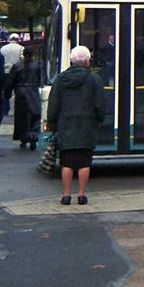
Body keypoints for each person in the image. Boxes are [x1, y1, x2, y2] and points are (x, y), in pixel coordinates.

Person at [47, 45, 106, 205]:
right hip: (87, 124)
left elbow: (53, 103)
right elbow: (100, 104)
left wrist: (52, 123)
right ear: (88, 61)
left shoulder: (60, 79)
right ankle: (81, 194)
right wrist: (99, 119)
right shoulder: (94, 79)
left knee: (66, 162)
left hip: (65, 123)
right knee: (84, 162)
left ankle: (66, 195)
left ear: (71, 61)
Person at [6, 47, 41, 150]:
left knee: (22, 118)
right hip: (33, 93)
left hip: (21, 94)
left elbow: (10, 81)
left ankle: (24, 138)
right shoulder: (37, 66)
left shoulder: (17, 66)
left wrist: (7, 94)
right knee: (35, 116)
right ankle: (33, 136)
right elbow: (40, 80)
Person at [0, 33, 24, 115]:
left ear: (9, 39)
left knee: (6, 92)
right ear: (18, 40)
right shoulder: (21, 48)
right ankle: (17, 110)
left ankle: (5, 110)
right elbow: (22, 60)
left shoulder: (3, 48)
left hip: (6, 72)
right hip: (18, 73)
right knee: (17, 91)